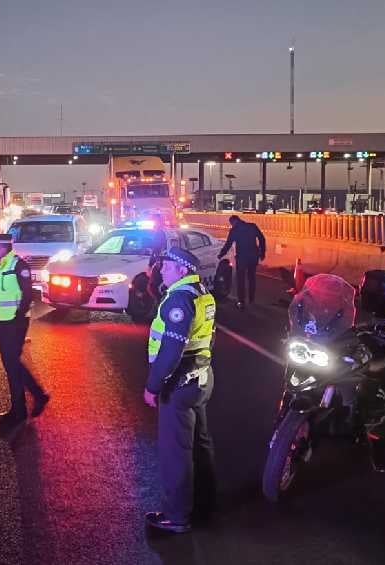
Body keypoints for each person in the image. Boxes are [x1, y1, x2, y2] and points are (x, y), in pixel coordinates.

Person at [143, 247, 217, 534]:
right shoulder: (203, 294)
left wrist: (153, 386)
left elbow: (171, 350)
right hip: (201, 378)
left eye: (168, 265)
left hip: (180, 383)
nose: (162, 269)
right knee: (200, 445)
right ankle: (204, 504)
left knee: (176, 452)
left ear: (183, 270)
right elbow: (209, 339)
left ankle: (176, 517)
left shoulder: (179, 298)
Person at [0, 233, 50, 432]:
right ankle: (27, 403)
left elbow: (27, 294)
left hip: (16, 323)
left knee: (12, 365)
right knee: (12, 366)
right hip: (3, 323)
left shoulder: (18, 265)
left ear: (3, 247)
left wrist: (17, 317)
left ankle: (22, 409)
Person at [218, 215, 266, 310]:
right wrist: (262, 253)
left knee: (241, 280)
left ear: (234, 222)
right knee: (252, 278)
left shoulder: (234, 230)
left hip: (242, 258)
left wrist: (221, 254)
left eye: (231, 223)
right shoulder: (252, 226)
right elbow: (262, 239)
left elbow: (228, 244)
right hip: (253, 257)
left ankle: (241, 302)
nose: (231, 225)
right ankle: (251, 300)